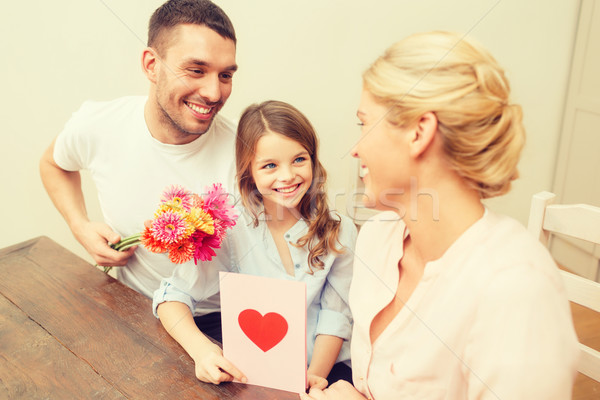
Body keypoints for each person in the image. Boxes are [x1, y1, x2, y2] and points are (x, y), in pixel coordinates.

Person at [302, 31, 579, 400]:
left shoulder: (516, 291)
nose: (355, 149)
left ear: (419, 132)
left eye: (364, 124)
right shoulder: (377, 238)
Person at [38, 0, 239, 319]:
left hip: (225, 321)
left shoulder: (249, 152)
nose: (214, 93)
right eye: (196, 70)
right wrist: (80, 226)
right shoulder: (99, 124)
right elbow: (53, 164)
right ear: (151, 65)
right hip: (135, 310)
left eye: (225, 75)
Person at [153, 100, 357, 387]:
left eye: (299, 159)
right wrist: (202, 351)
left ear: (313, 158)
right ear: (249, 171)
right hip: (254, 375)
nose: (287, 176)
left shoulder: (340, 228)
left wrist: (313, 378)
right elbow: (172, 297)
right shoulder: (231, 227)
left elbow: (336, 316)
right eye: (270, 165)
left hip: (325, 374)